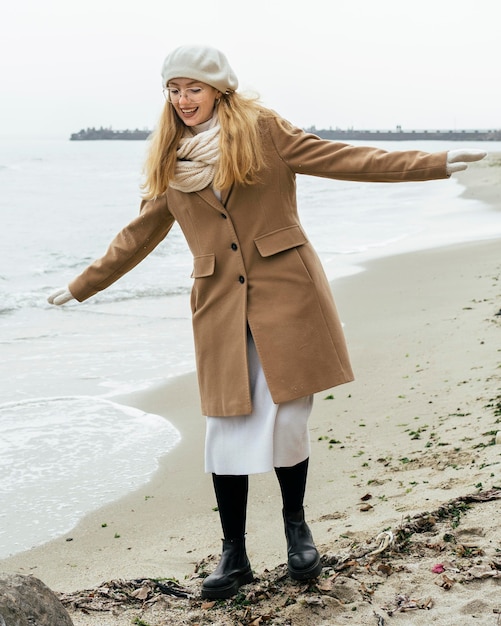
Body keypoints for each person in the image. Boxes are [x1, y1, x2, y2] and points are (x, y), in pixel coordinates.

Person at [48, 44, 486, 599]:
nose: (183, 100)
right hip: (219, 310)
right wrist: (81, 286)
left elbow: (346, 159)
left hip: (286, 296)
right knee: (225, 431)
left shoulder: (263, 132)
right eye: (174, 89)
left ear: (219, 89)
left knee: (284, 421)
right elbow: (139, 235)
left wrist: (441, 163)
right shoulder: (170, 158)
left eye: (194, 88)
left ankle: (296, 528)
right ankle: (234, 555)